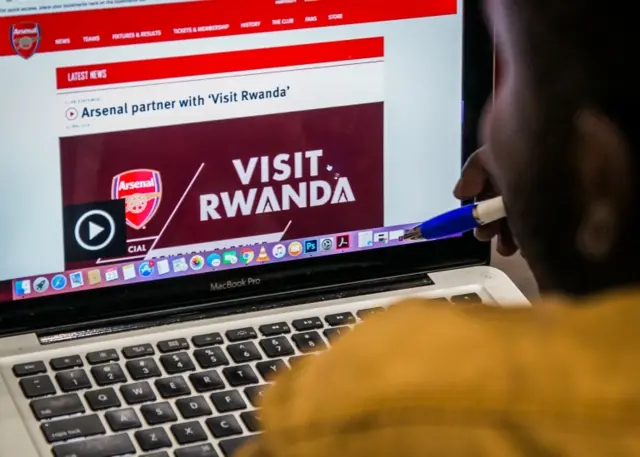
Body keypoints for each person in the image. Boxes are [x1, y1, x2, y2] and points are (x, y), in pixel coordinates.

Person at [238, 0, 640, 455]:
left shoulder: (394, 404)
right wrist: (567, 242)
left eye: (509, 78)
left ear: (595, 172)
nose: (489, 118)